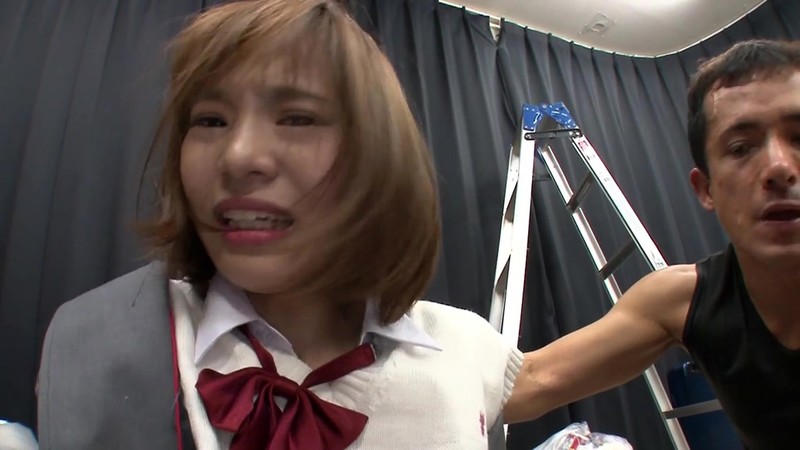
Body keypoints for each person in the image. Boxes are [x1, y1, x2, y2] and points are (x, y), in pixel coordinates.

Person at [35, 1, 522, 449]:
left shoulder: (460, 349)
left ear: (379, 155)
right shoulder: (100, 340)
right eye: (210, 121)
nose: (238, 156)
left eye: (297, 118)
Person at [503, 39, 800, 450]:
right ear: (706, 189)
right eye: (741, 148)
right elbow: (533, 381)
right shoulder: (684, 299)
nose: (779, 168)